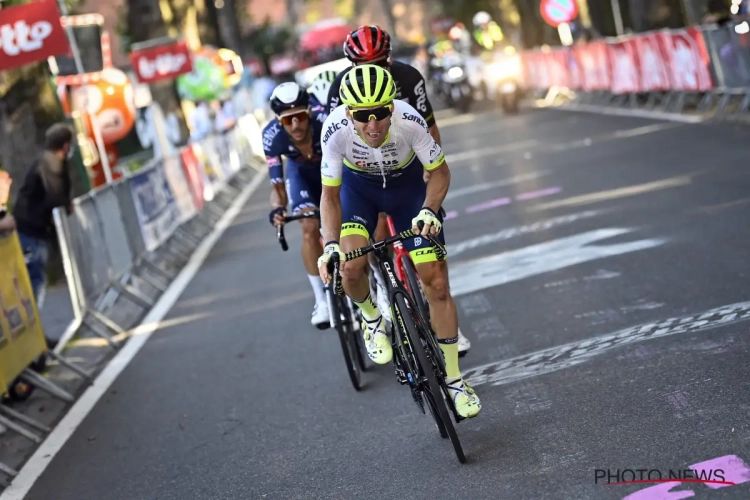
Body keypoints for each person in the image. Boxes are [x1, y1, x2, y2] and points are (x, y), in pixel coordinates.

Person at [316, 65, 481, 419]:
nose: (373, 125)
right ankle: (372, 318)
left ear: (392, 107)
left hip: (408, 193)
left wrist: (430, 210)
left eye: (380, 113)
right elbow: (329, 197)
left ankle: (454, 380)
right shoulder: (334, 131)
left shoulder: (410, 120)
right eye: (362, 116)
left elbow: (439, 171)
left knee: (436, 283)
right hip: (359, 195)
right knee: (350, 266)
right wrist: (330, 243)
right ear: (349, 113)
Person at [326, 24, 472, 356]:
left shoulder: (408, 78)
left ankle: (445, 313)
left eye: (380, 63)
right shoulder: (340, 88)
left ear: (389, 59)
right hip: (363, 175)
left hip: (406, 167)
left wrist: (428, 172)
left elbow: (430, 128)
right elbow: (334, 144)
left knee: (431, 246)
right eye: (364, 65)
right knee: (371, 235)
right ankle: (380, 281)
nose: (374, 71)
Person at [264, 82, 330, 328]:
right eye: (287, 120)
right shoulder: (271, 137)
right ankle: (321, 300)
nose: (295, 125)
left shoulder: (325, 119)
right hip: (300, 173)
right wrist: (277, 210)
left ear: (309, 112)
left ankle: (378, 281)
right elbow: (278, 189)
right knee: (308, 226)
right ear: (278, 121)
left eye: (300, 117)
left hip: (331, 169)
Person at [12, 124, 74, 315]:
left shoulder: (45, 161)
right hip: (32, 230)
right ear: (65, 146)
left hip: (31, 228)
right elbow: (55, 195)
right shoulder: (50, 164)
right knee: (35, 280)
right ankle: (33, 331)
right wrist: (66, 205)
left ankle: (34, 330)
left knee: (35, 278)